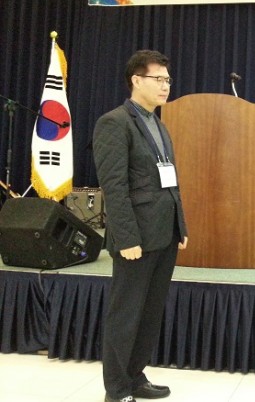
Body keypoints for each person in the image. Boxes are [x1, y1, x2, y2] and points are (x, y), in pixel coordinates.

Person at [93, 50, 188, 402]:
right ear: (136, 80)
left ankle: (135, 377)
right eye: (158, 79)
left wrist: (181, 225)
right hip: (136, 237)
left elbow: (169, 181)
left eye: (168, 80)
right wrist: (126, 237)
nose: (165, 86)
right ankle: (117, 390)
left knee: (149, 313)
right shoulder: (114, 122)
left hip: (164, 233)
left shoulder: (157, 123)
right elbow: (114, 186)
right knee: (126, 314)